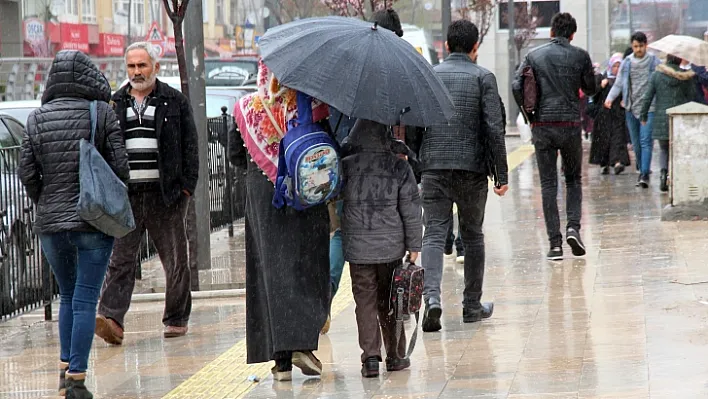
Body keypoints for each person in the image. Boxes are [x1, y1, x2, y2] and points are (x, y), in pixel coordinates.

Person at [18, 50, 130, 399]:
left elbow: (26, 172)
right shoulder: (102, 114)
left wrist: (46, 201)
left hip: (51, 225)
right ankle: (77, 382)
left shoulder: (36, 119)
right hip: (92, 221)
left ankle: (65, 369)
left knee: (67, 295)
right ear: (90, 77)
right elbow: (121, 168)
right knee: (85, 299)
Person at [230, 60, 329, 381]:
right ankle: (300, 342)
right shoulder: (312, 106)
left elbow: (234, 155)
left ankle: (280, 360)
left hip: (262, 196)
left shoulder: (246, 108)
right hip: (304, 193)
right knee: (305, 263)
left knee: (269, 269)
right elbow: (327, 148)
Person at [96, 42, 199, 344]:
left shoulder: (174, 101)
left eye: (142, 65)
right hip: (126, 197)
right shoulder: (114, 104)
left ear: (155, 66)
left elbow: (191, 147)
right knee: (121, 260)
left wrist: (186, 189)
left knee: (176, 260)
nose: (137, 72)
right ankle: (112, 319)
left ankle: (176, 318)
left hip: (165, 196)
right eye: (132, 66)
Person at [419, 20, 509, 333]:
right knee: (472, 235)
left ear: (445, 46)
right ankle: (471, 305)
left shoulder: (430, 75)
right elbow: (494, 129)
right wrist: (501, 173)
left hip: (434, 166)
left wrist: (421, 162)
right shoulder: (484, 77)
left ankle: (431, 299)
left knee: (433, 232)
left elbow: (418, 123)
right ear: (475, 49)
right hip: (471, 170)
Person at [322, 8, 408, 335]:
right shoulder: (386, 73)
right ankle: (385, 304)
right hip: (373, 168)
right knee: (376, 231)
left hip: (338, 161)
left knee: (341, 232)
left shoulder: (343, 62)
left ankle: (324, 299)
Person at [513, 12, 600, 261]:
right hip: (570, 125)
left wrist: (529, 115)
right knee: (573, 179)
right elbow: (590, 89)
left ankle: (555, 245)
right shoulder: (580, 56)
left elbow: (516, 86)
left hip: (543, 126)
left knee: (549, 184)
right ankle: (573, 227)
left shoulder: (534, 56)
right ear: (572, 34)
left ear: (551, 32)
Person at [340, 119, 422, 378]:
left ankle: (371, 358)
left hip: (358, 247)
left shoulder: (346, 166)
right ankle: (396, 356)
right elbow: (410, 210)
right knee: (391, 300)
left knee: (364, 300)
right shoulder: (398, 166)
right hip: (391, 248)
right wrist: (414, 245)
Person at [605, 32, 661, 188]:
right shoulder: (627, 63)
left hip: (649, 107)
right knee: (636, 143)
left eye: (641, 46)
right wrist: (609, 98)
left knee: (645, 141)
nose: (638, 49)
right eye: (635, 46)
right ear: (632, 46)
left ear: (646, 45)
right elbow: (619, 83)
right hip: (630, 106)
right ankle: (641, 167)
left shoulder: (653, 61)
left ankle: (644, 174)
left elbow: (661, 79)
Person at [640, 54, 697, 192]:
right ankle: (676, 177)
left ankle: (663, 174)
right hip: (679, 119)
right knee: (678, 151)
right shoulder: (686, 77)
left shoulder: (656, 76)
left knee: (664, 149)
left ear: (667, 60)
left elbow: (647, 97)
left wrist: (643, 115)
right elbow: (692, 97)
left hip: (662, 119)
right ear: (679, 61)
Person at [589, 54, 630, 175]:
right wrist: (600, 86)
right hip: (603, 115)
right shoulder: (602, 78)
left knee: (617, 138)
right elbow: (593, 95)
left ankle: (617, 162)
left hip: (618, 113)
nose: (617, 69)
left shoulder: (623, 80)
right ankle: (604, 163)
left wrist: (625, 101)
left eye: (619, 66)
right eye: (615, 66)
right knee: (603, 139)